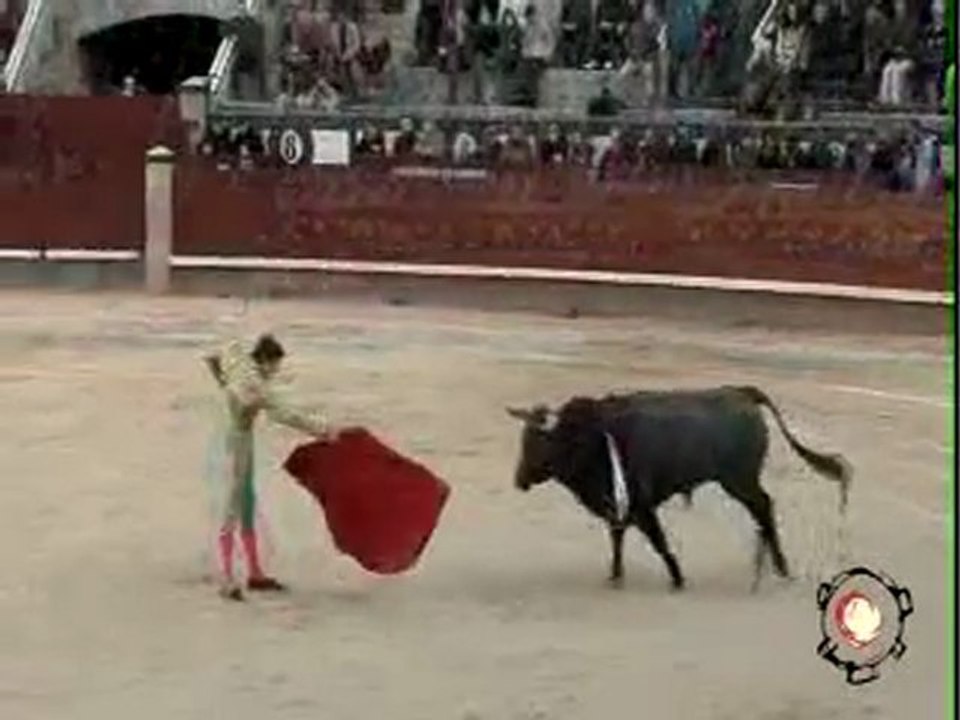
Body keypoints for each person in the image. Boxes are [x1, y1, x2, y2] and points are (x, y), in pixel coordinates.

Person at [204, 334, 343, 601]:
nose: (275, 372)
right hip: (237, 444)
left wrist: (221, 382)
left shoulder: (237, 358)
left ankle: (253, 572)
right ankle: (227, 577)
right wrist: (325, 431)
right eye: (275, 366)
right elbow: (286, 415)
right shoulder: (256, 386)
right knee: (236, 506)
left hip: (230, 437)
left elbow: (216, 357)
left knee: (244, 504)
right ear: (267, 361)